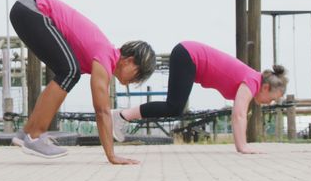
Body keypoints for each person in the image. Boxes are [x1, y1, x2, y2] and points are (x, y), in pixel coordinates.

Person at [9, 0, 156, 164]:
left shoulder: (102, 55)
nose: (136, 81)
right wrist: (111, 156)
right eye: (138, 75)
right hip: (32, 9)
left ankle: (27, 133)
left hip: (26, 10)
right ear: (130, 61)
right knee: (69, 71)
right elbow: (102, 111)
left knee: (68, 71)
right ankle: (34, 137)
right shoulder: (105, 56)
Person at [110, 41, 288, 154]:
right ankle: (120, 116)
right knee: (174, 107)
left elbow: (240, 114)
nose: (268, 103)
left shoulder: (252, 80)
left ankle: (120, 116)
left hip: (187, 54)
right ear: (266, 87)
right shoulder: (252, 81)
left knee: (174, 107)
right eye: (271, 99)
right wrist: (243, 147)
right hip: (188, 55)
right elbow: (238, 114)